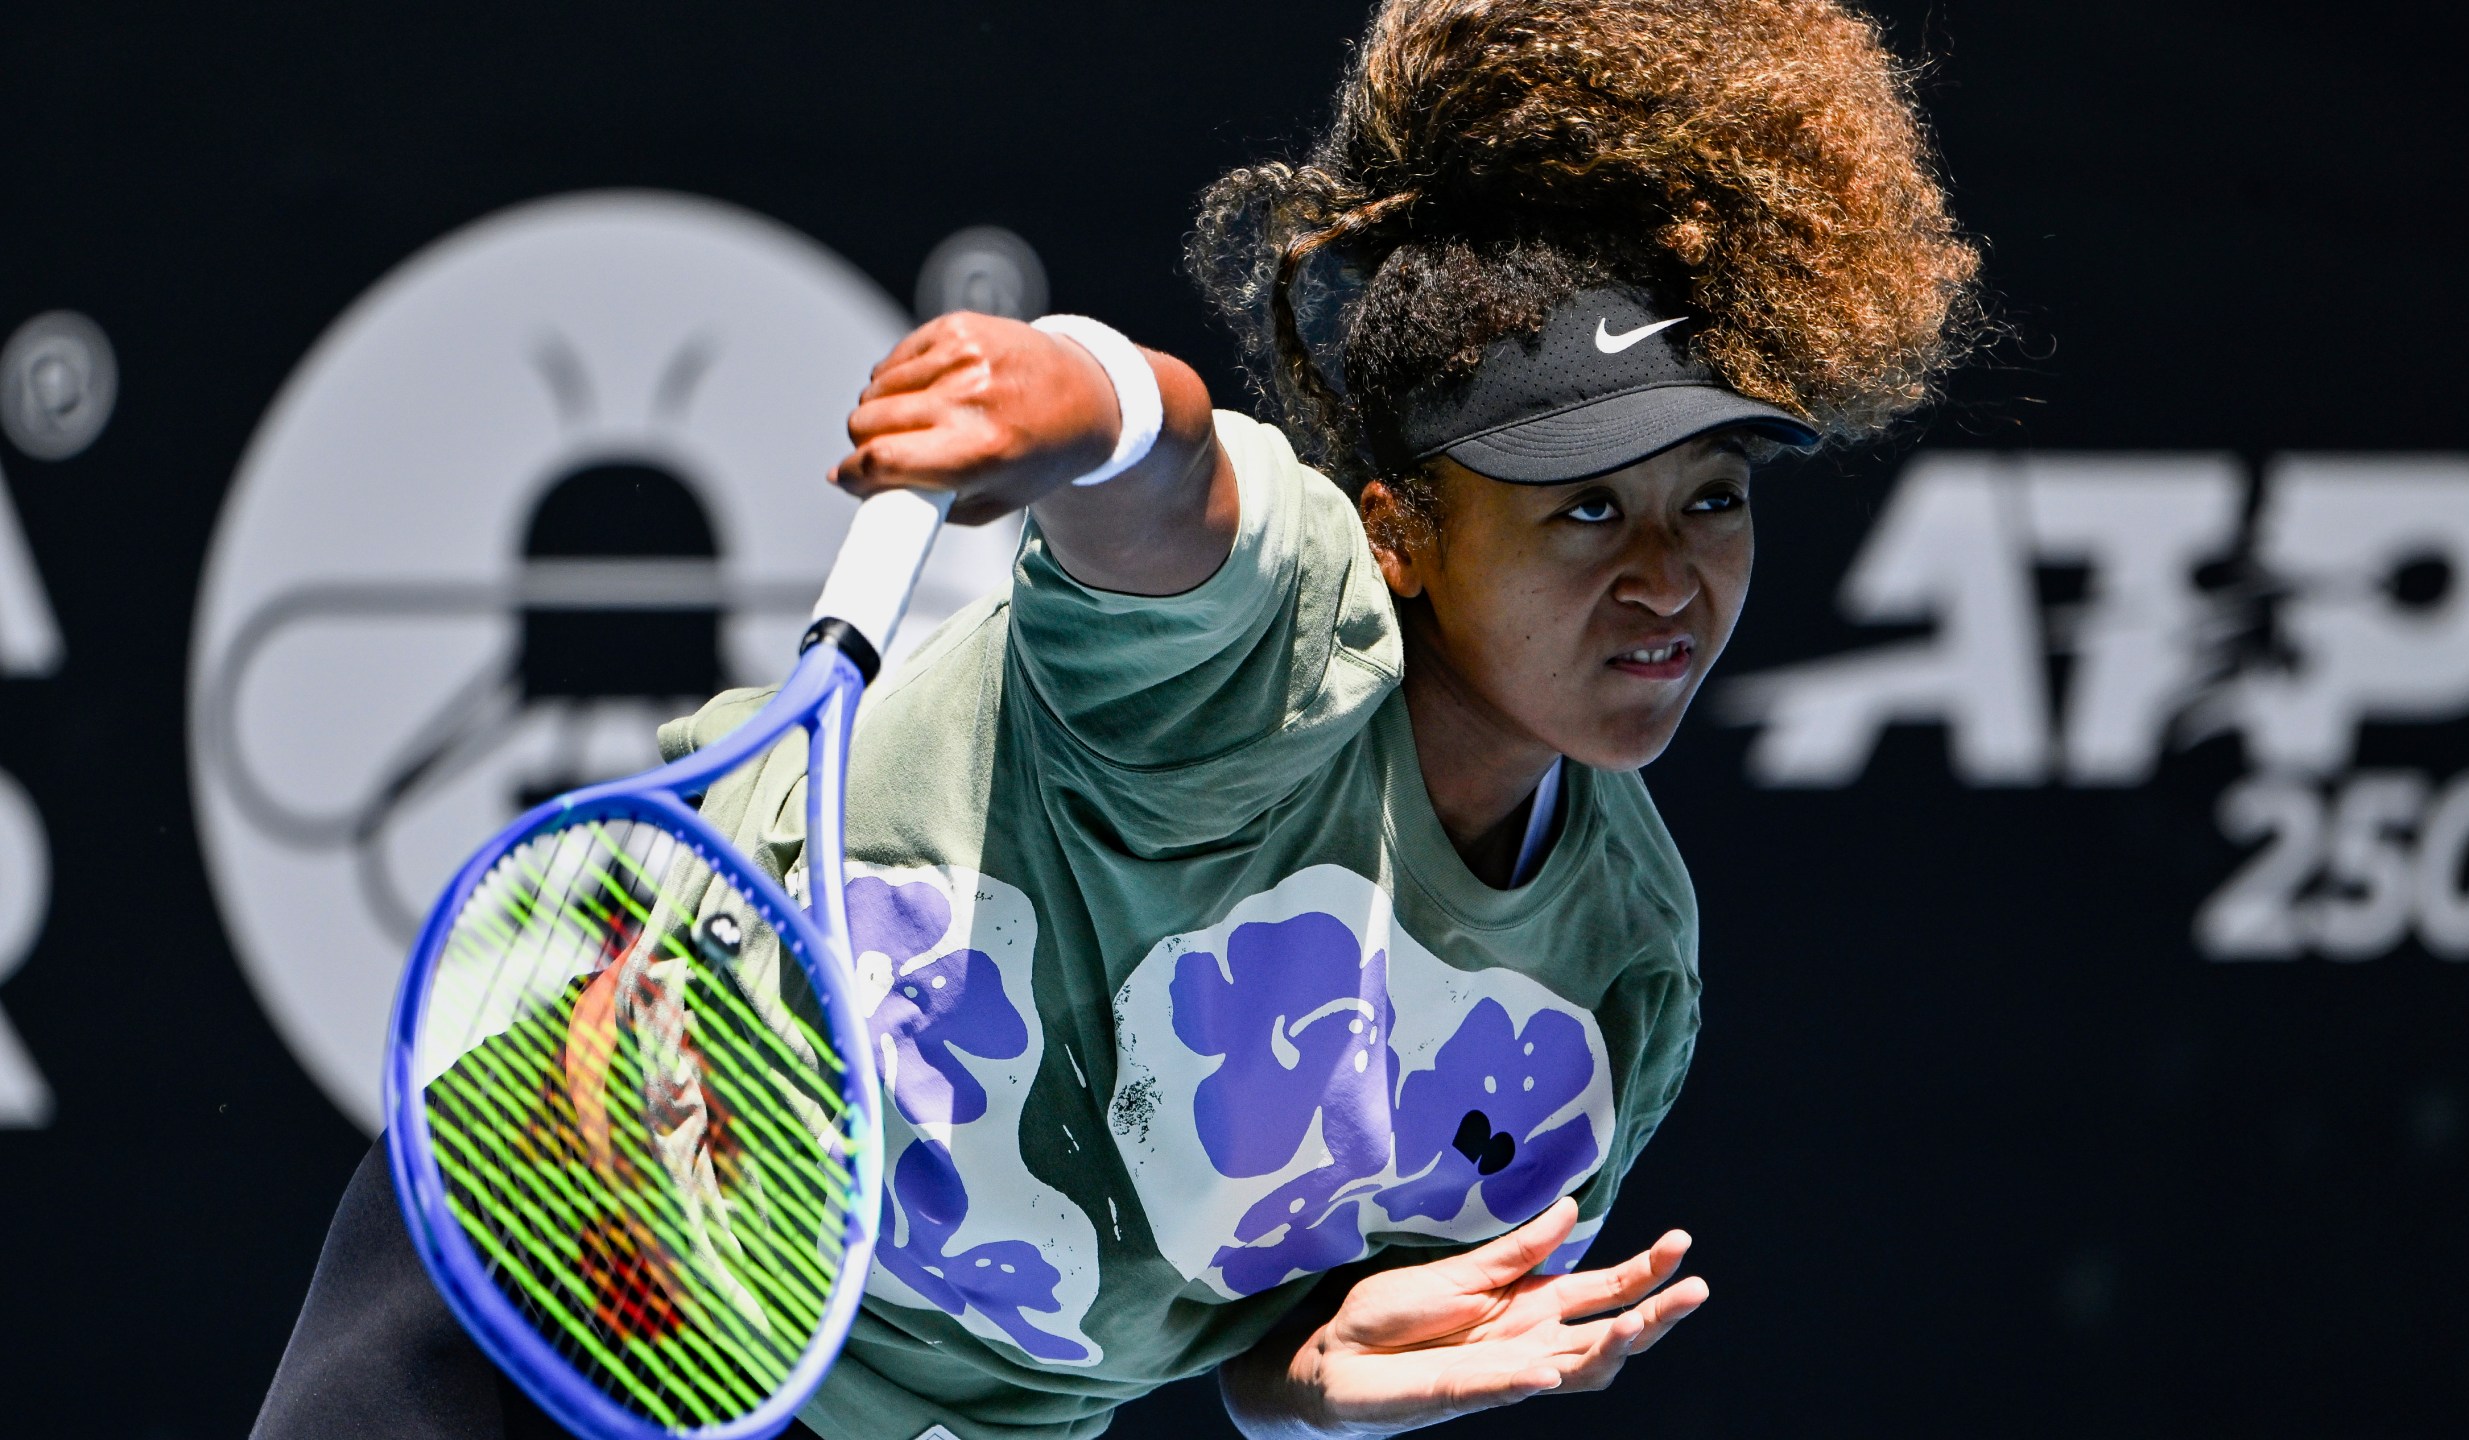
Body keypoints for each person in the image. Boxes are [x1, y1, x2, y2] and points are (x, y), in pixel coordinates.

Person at [252, 2, 1976, 1436]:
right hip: (589, 1229)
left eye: (1715, 499)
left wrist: (1301, 1383)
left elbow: (1268, 1341)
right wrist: (1073, 393)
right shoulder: (1275, 635)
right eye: (1585, 509)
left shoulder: (1620, 975)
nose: (1669, 576)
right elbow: (1164, 479)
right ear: (1403, 526)